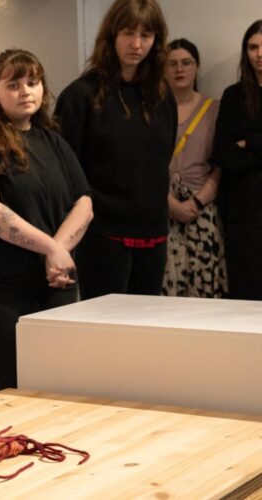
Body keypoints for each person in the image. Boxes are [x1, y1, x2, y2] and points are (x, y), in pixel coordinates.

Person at [0, 49, 92, 391]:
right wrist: (51, 249)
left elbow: (84, 203)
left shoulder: (52, 140)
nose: (25, 91)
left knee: (59, 384)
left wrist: (57, 253)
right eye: (13, 84)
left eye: (32, 83)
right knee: (19, 385)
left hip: (52, 280)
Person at [55, 0, 176, 299]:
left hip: (152, 231)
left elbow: (161, 160)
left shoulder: (162, 96)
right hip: (101, 234)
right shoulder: (81, 95)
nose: (136, 44)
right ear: (112, 34)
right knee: (104, 323)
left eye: (146, 35)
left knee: (145, 321)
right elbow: (65, 172)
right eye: (128, 33)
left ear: (157, 40)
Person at [162, 38, 227, 297]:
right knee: (167, 287)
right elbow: (144, 164)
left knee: (204, 287)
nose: (179, 69)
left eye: (186, 63)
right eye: (172, 64)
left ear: (196, 66)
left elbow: (221, 164)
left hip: (202, 208)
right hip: (162, 207)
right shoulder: (154, 109)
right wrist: (171, 204)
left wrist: (197, 202)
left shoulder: (215, 109)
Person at [213, 19, 262, 300]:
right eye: (253, 47)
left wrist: (250, 143)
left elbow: (238, 152)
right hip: (244, 205)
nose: (260, 53)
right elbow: (224, 154)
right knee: (249, 289)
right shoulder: (234, 96)